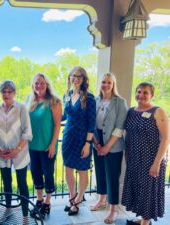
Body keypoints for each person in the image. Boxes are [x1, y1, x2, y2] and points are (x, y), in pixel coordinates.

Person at [122, 82, 169, 225]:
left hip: (151, 159)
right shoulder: (131, 111)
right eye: (139, 92)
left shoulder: (158, 111)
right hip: (134, 157)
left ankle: (145, 222)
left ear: (151, 95)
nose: (141, 95)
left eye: (145, 93)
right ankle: (142, 218)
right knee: (137, 188)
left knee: (147, 191)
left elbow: (166, 139)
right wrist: (127, 155)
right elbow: (127, 134)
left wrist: (157, 163)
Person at [0, 80, 32, 223]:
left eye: (10, 91)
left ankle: (25, 216)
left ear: (14, 93)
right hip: (2, 153)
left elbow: (27, 132)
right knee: (6, 182)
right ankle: (8, 210)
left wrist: (17, 150)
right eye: (4, 91)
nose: (6, 94)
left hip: (20, 153)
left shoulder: (21, 108)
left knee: (22, 183)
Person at [90, 72, 127, 224]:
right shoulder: (96, 100)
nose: (105, 85)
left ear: (113, 85)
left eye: (109, 82)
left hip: (113, 144)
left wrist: (107, 147)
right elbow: (91, 123)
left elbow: (119, 128)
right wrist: (97, 144)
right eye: (103, 82)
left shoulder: (119, 102)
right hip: (97, 141)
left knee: (112, 177)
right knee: (99, 173)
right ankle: (101, 200)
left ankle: (113, 210)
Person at [62, 66, 96, 216]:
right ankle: (71, 196)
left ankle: (78, 200)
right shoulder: (67, 95)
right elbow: (64, 116)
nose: (75, 79)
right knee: (68, 169)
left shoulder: (89, 98)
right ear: (69, 78)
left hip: (83, 139)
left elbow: (92, 123)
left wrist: (88, 144)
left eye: (79, 76)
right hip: (68, 137)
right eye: (73, 76)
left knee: (82, 170)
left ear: (83, 80)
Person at [27, 73, 62, 218]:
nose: (39, 86)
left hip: (48, 146)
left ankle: (47, 203)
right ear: (32, 85)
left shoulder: (54, 101)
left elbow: (57, 124)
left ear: (47, 84)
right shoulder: (30, 100)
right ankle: (39, 200)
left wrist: (53, 144)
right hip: (32, 146)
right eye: (36, 83)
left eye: (42, 83)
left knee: (48, 174)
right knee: (35, 173)